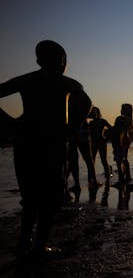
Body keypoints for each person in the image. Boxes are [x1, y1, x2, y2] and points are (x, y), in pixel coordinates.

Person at [0, 40, 92, 258]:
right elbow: (87, 103)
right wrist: (71, 128)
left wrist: (12, 124)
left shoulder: (26, 80)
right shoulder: (67, 83)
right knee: (49, 199)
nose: (62, 64)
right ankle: (39, 246)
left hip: (25, 142)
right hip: (52, 143)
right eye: (61, 59)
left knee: (31, 197)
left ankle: (25, 243)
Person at [111, 103, 133, 184]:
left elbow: (119, 132)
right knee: (125, 159)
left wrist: (118, 144)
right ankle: (128, 177)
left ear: (125, 110)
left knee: (118, 161)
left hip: (120, 141)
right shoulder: (129, 120)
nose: (120, 110)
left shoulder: (120, 119)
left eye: (122, 109)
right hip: (126, 141)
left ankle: (121, 179)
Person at [89, 106, 113, 183]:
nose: (92, 113)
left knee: (103, 160)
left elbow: (111, 128)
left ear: (98, 113)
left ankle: (108, 177)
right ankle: (91, 179)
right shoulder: (91, 122)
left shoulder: (102, 121)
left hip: (101, 142)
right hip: (93, 144)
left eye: (94, 112)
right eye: (91, 112)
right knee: (92, 161)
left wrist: (107, 137)